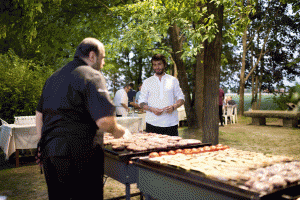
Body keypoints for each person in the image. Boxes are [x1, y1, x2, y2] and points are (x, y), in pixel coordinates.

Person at [35, 37, 131, 200]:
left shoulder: (53, 77)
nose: (103, 64)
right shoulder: (92, 75)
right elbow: (104, 121)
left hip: (51, 154)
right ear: (92, 56)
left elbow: (39, 115)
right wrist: (120, 132)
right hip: (80, 155)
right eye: (103, 58)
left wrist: (42, 143)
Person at [139, 54, 185, 136]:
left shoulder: (173, 80)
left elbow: (181, 98)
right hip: (152, 124)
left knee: (173, 148)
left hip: (170, 124)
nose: (157, 67)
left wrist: (174, 106)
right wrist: (151, 109)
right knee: (153, 148)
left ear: (164, 65)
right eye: (154, 65)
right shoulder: (147, 82)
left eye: (159, 64)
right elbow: (141, 102)